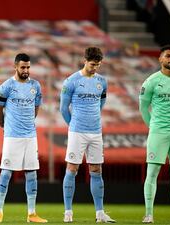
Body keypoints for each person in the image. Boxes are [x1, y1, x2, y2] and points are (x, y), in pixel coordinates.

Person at [59, 47, 115, 223]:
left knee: (96, 170)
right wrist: (73, 126)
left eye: (98, 65)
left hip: (96, 132)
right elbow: (63, 108)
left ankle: (100, 214)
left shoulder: (102, 82)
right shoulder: (71, 81)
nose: (95, 68)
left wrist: (92, 121)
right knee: (72, 169)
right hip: (77, 132)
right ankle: (68, 212)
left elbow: (101, 103)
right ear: (85, 60)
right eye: (92, 64)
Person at [0, 53, 47, 223]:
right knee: (7, 172)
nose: (26, 70)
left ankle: (32, 213)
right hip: (12, 136)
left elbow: (35, 108)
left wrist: (28, 123)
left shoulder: (35, 86)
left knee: (31, 173)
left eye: (28, 67)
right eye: (23, 67)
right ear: (15, 66)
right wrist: (5, 126)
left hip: (30, 136)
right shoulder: (6, 86)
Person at [139, 45, 170, 224]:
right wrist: (152, 126)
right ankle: (148, 215)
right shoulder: (151, 81)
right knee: (152, 172)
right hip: (158, 132)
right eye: (168, 56)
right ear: (160, 59)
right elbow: (143, 107)